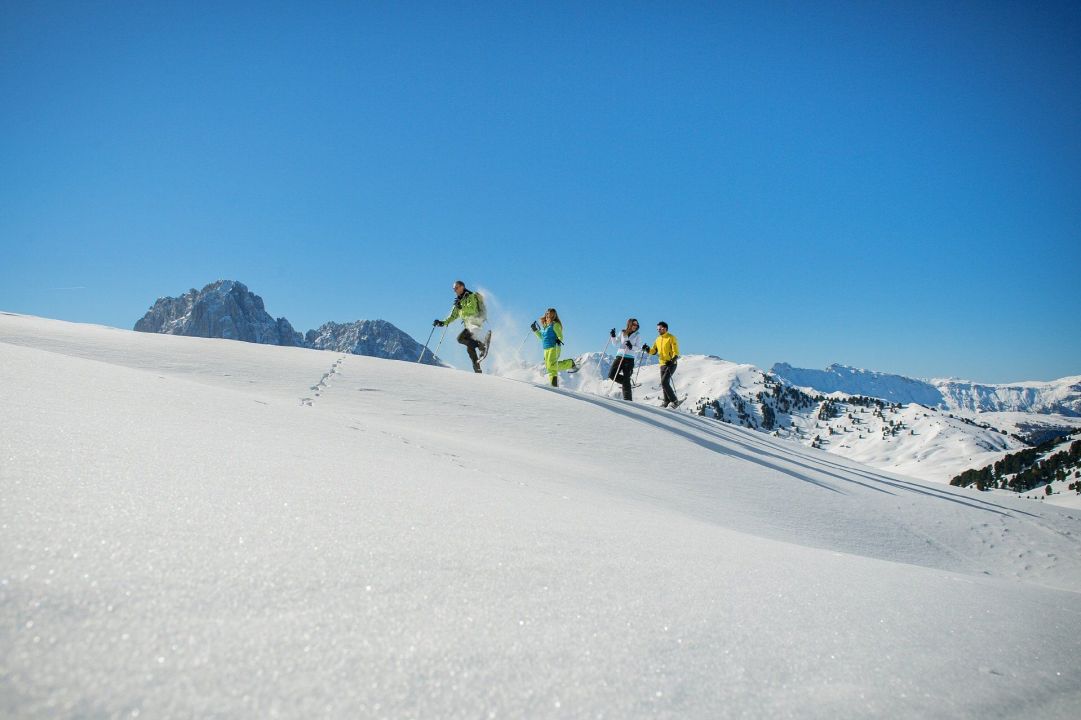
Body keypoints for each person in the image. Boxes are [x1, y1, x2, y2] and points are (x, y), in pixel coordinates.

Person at [434, 280, 490, 373]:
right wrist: (442, 323)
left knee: (460, 338)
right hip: (469, 325)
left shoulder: (471, 296)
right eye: (453, 289)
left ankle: (481, 346)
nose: (454, 290)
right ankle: (477, 369)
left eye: (456, 288)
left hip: (476, 323)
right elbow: (453, 316)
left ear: (462, 287)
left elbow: (473, 310)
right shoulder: (458, 301)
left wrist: (461, 307)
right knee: (470, 348)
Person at [531, 308, 578, 387]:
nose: (547, 315)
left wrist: (558, 340)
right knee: (550, 368)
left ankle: (570, 363)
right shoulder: (545, 326)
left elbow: (560, 335)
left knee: (551, 365)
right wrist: (535, 330)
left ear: (553, 315)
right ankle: (554, 385)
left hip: (554, 347)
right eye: (546, 313)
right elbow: (542, 337)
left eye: (549, 313)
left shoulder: (555, 324)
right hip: (546, 348)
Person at [607, 318, 645, 401]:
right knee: (611, 374)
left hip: (630, 358)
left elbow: (638, 347)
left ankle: (628, 400)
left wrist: (631, 346)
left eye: (637, 325)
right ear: (629, 324)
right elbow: (615, 344)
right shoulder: (622, 332)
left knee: (626, 378)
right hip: (620, 356)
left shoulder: (637, 335)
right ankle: (626, 383)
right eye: (634, 324)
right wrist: (613, 336)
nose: (635, 326)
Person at [646, 320, 680, 407]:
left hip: (671, 364)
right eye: (657, 329)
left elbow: (676, 352)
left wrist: (672, 361)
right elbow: (654, 351)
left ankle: (675, 401)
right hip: (662, 364)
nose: (658, 330)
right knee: (664, 382)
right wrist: (647, 349)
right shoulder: (658, 339)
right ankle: (666, 401)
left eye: (660, 329)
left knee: (664, 382)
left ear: (665, 329)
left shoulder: (671, 337)